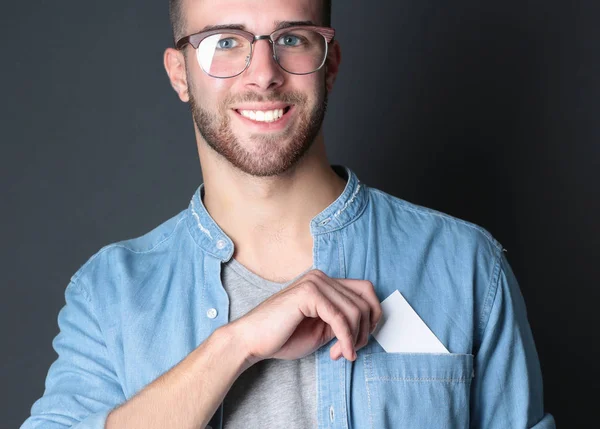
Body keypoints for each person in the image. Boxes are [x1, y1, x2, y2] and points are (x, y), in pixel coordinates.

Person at [22, 0, 556, 428]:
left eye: (291, 39)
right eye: (224, 42)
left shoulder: (464, 265)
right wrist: (235, 346)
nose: (263, 75)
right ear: (180, 73)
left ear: (331, 62)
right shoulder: (110, 294)